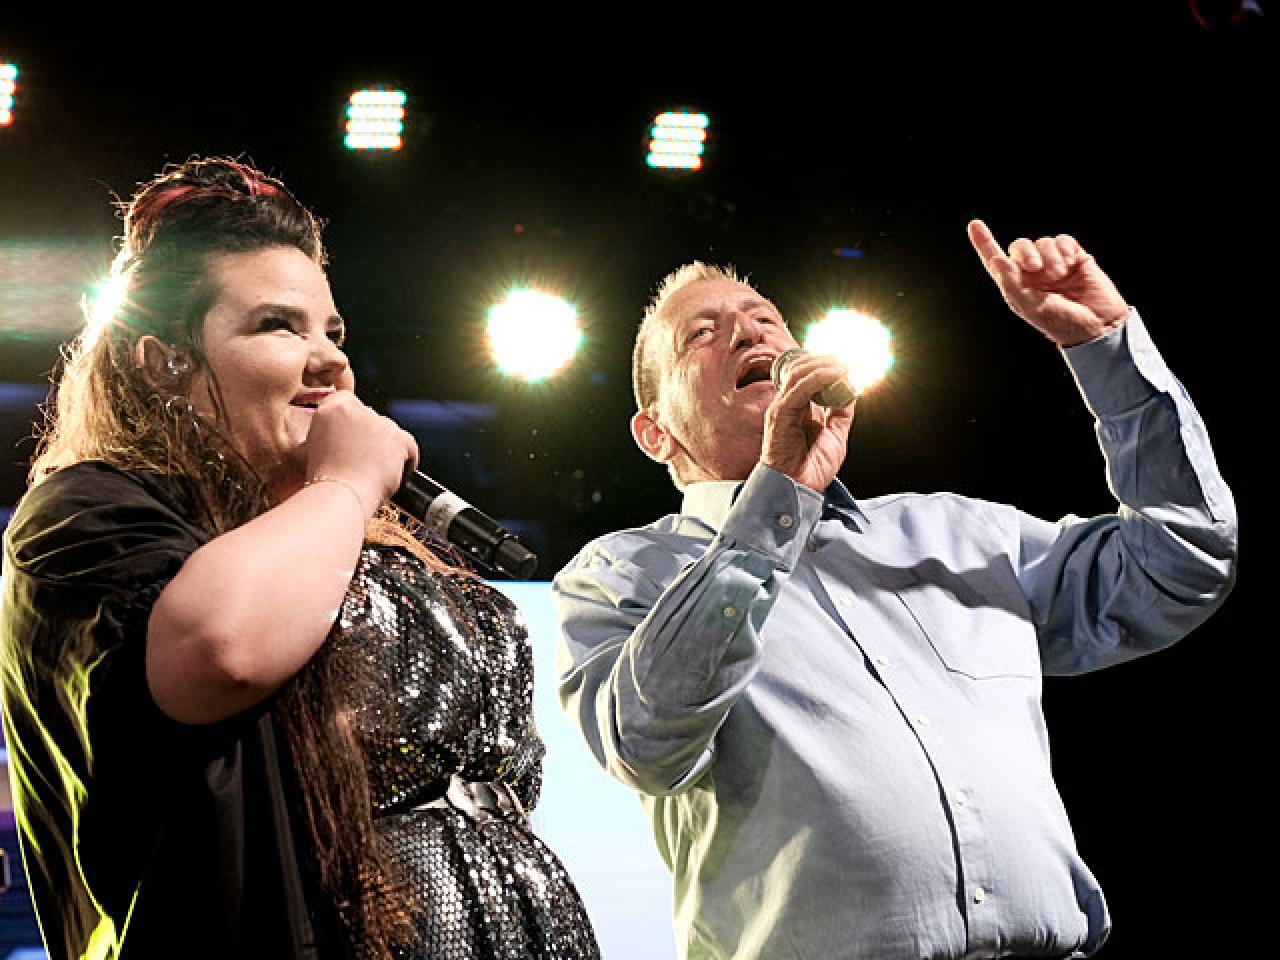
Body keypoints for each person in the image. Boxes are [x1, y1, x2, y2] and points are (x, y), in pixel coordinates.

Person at [551, 221, 1237, 960]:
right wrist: (777, 498)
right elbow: (645, 743)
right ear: (656, 433)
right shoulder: (621, 573)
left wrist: (1106, 347)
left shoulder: (955, 532)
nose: (748, 334)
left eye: (765, 320)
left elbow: (1182, 562)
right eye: (701, 335)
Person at [0, 157, 601, 960]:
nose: (330, 361)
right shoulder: (85, 515)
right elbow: (220, 649)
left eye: (333, 332)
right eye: (279, 326)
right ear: (164, 360)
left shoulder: (345, 536)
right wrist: (347, 484)